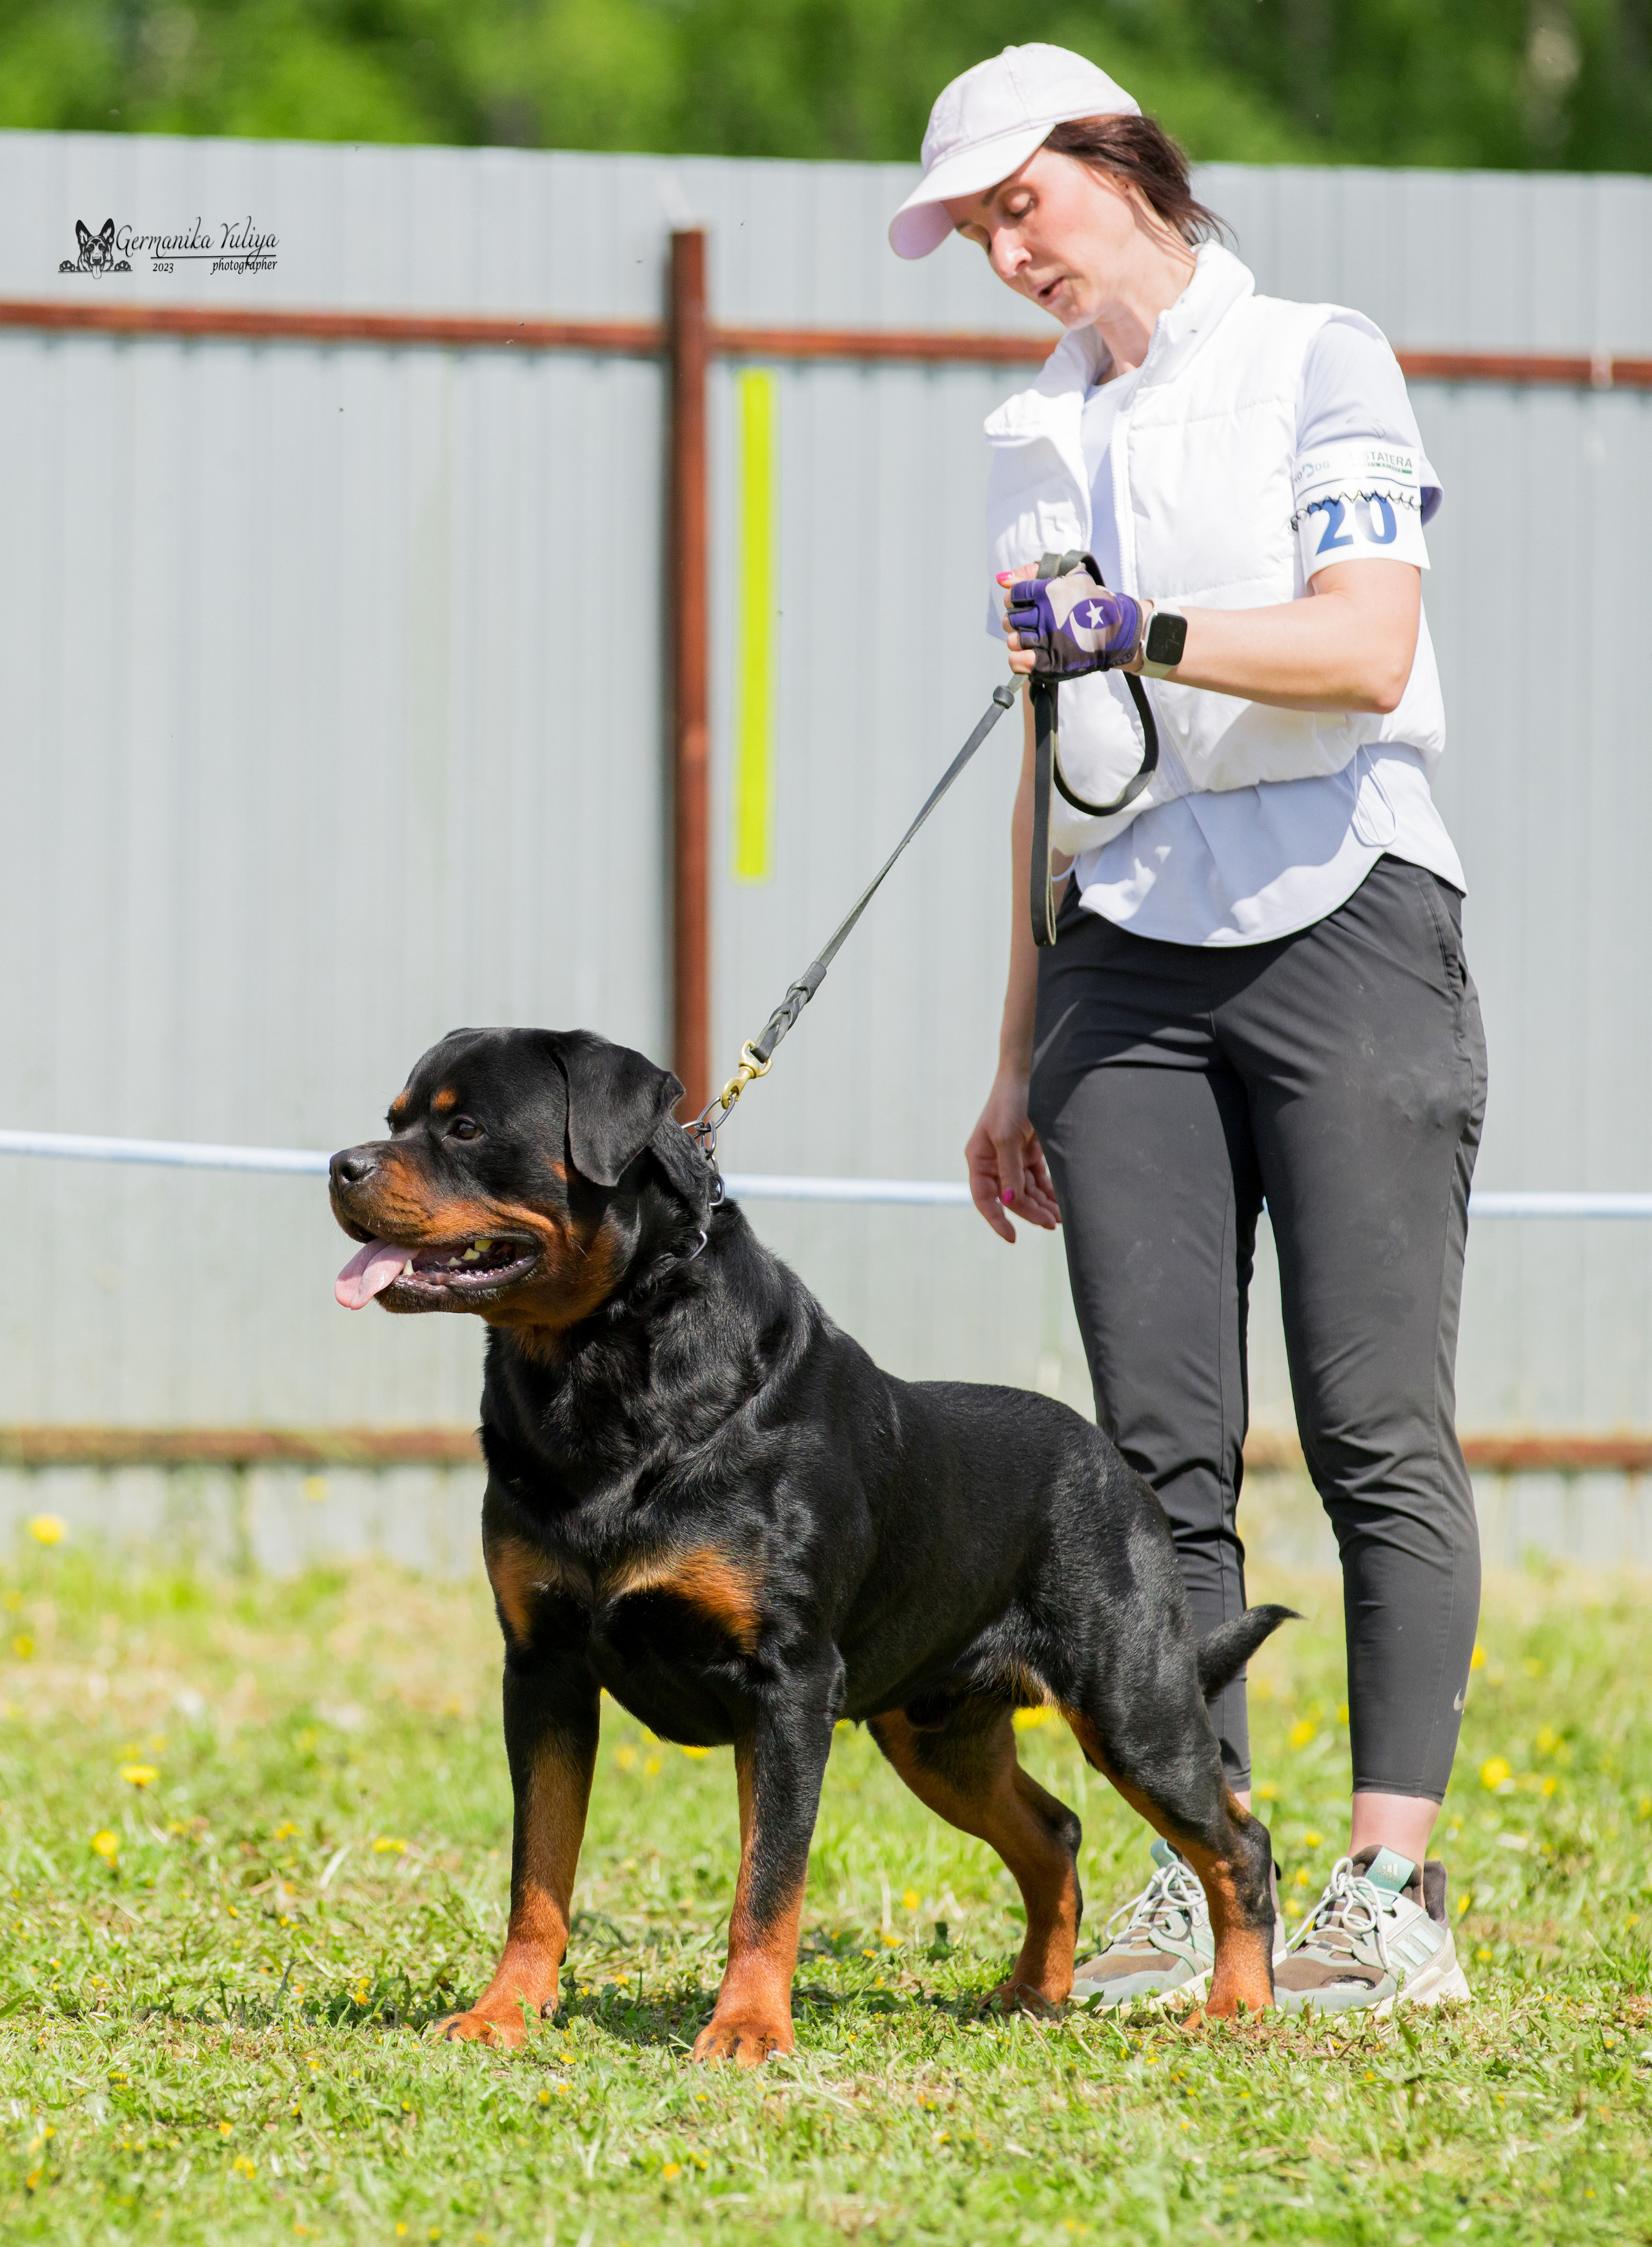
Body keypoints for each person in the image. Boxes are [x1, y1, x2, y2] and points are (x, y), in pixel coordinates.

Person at [889, 44, 1484, 2014]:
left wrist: (1137, 624)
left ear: (1121, 162)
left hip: (1346, 906)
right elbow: (1051, 758)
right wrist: (1013, 1041)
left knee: (1372, 1423)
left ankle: (1390, 1891)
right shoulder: (1029, 437)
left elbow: (1364, 642)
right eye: (978, 228)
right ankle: (1199, 1860)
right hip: (1123, 947)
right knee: (1151, 1458)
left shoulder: (1320, 356)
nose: (1005, 252)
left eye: (1020, 204)